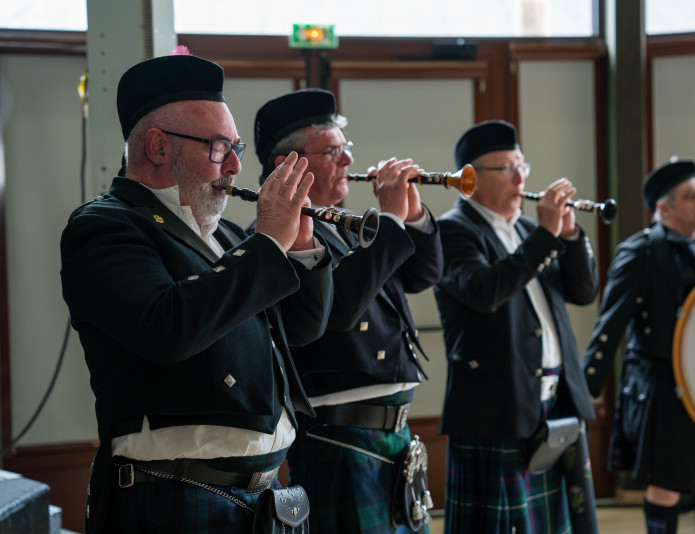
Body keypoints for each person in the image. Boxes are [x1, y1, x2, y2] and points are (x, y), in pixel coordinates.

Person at [60, 52, 333, 533]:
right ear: (157, 147)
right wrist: (268, 245)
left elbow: (303, 329)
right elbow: (167, 328)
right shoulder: (105, 226)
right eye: (218, 147)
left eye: (236, 147)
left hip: (267, 496)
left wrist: (302, 250)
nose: (235, 165)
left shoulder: (225, 234)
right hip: (173, 492)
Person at [252, 88, 443, 533]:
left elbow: (423, 275)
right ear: (287, 164)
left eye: (346, 148)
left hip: (392, 433)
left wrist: (412, 215)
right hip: (338, 436)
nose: (348, 161)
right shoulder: (277, 239)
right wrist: (389, 221)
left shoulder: (347, 227)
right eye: (332, 152)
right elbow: (336, 312)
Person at [433, 120, 600, 534]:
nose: (521, 178)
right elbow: (484, 290)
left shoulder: (527, 229)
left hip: (556, 404)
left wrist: (568, 232)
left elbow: (584, 291)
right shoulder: (452, 230)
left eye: (522, 166)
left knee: (560, 524)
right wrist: (545, 236)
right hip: (500, 408)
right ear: (471, 178)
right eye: (506, 168)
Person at [581, 159, 695, 534]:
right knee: (666, 484)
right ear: (663, 207)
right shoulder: (640, 251)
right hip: (660, 386)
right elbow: (610, 324)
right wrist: (585, 386)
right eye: (691, 197)